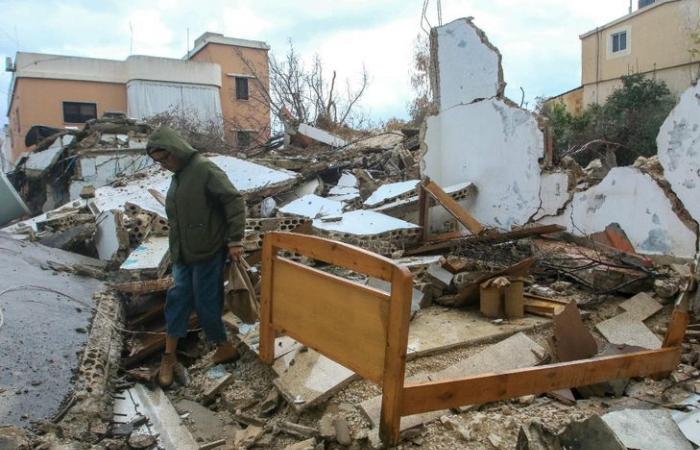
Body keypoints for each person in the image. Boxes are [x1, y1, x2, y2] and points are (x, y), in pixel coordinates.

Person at [146, 126, 246, 387]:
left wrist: (235, 240)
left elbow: (233, 201)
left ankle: (224, 347)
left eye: (166, 158)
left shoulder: (204, 169)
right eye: (159, 161)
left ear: (176, 149)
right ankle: (169, 357)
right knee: (177, 299)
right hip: (182, 252)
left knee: (206, 302)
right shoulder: (177, 176)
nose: (165, 164)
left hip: (208, 250)